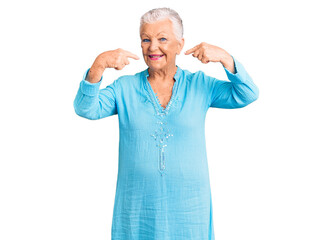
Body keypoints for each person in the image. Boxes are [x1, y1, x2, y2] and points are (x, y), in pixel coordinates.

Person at [73, 7, 259, 240]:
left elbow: (247, 94)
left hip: (189, 210)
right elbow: (85, 108)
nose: (153, 47)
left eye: (162, 39)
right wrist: (98, 65)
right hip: (138, 208)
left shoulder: (200, 85)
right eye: (145, 39)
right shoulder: (124, 88)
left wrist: (225, 58)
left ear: (180, 45)